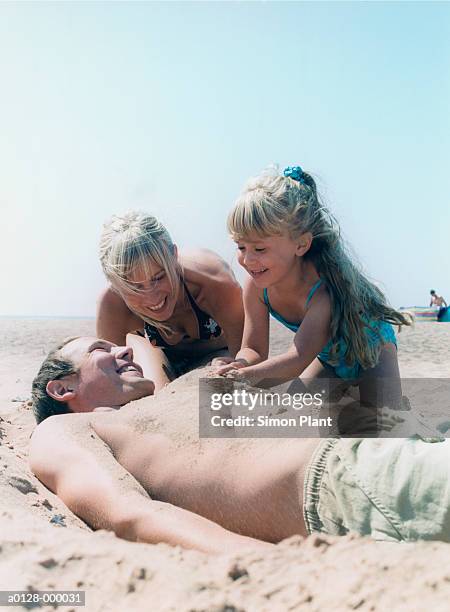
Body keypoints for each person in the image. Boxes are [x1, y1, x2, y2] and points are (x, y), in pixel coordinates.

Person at [30, 336, 450, 553]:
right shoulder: (68, 431)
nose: (121, 349)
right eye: (100, 350)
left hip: (397, 431)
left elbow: (140, 342)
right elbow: (129, 513)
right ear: (62, 387)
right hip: (348, 474)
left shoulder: (163, 399)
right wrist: (278, 566)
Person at [216, 166, 411, 408]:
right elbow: (253, 348)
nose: (248, 260)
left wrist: (247, 378)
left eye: (260, 249)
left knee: (384, 419)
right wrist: (241, 364)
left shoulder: (322, 290)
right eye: (241, 247)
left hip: (371, 352)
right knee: (287, 411)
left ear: (301, 244)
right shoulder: (256, 288)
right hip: (328, 358)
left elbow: (299, 357)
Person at [97, 211, 244, 391]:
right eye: (135, 287)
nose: (152, 297)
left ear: (174, 255)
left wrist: (237, 364)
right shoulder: (114, 303)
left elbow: (249, 355)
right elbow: (111, 381)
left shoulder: (213, 282)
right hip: (156, 354)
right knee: (158, 392)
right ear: (115, 283)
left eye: (158, 277)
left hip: (218, 352)